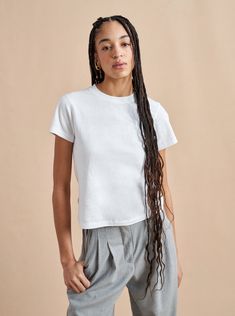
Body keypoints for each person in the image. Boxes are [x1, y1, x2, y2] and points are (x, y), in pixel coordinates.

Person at [49, 15, 183, 316]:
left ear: (135, 50)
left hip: (154, 234)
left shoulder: (154, 112)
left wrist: (174, 253)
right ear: (96, 57)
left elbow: (162, 185)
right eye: (106, 46)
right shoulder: (73, 107)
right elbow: (60, 188)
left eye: (124, 44)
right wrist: (67, 260)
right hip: (102, 239)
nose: (117, 53)